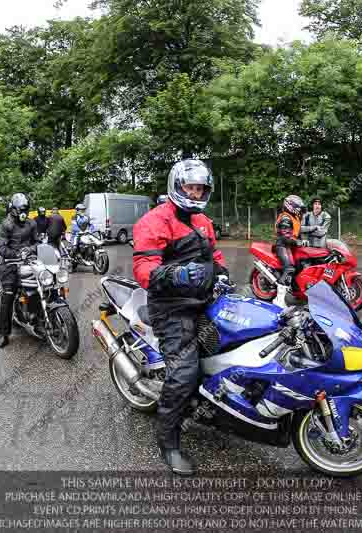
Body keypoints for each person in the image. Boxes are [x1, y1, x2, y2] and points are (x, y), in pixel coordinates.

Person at [133, 159, 229, 476]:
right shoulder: (154, 221)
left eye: (200, 188)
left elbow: (213, 256)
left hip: (202, 301)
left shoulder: (203, 220)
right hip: (170, 306)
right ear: (177, 186)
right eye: (190, 187)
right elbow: (144, 270)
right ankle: (169, 442)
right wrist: (177, 274)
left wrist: (223, 274)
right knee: (184, 372)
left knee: (227, 346)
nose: (196, 192)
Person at [0, 193, 38, 349]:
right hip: (10, 264)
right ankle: (4, 333)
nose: (24, 213)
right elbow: (1, 248)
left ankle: (37, 314)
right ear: (12, 209)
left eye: (26, 210)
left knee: (45, 281)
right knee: (7, 296)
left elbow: (37, 242)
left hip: (29, 261)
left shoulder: (31, 223)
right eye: (21, 210)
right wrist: (17, 254)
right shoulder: (6, 225)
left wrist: (30, 249)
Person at [273, 195, 309, 308]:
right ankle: (279, 300)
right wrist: (299, 242)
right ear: (290, 206)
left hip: (291, 246)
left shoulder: (294, 217)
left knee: (300, 267)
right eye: (297, 207)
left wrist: (302, 241)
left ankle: (298, 293)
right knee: (289, 268)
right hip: (282, 245)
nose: (299, 210)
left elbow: (297, 234)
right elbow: (286, 237)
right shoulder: (285, 218)